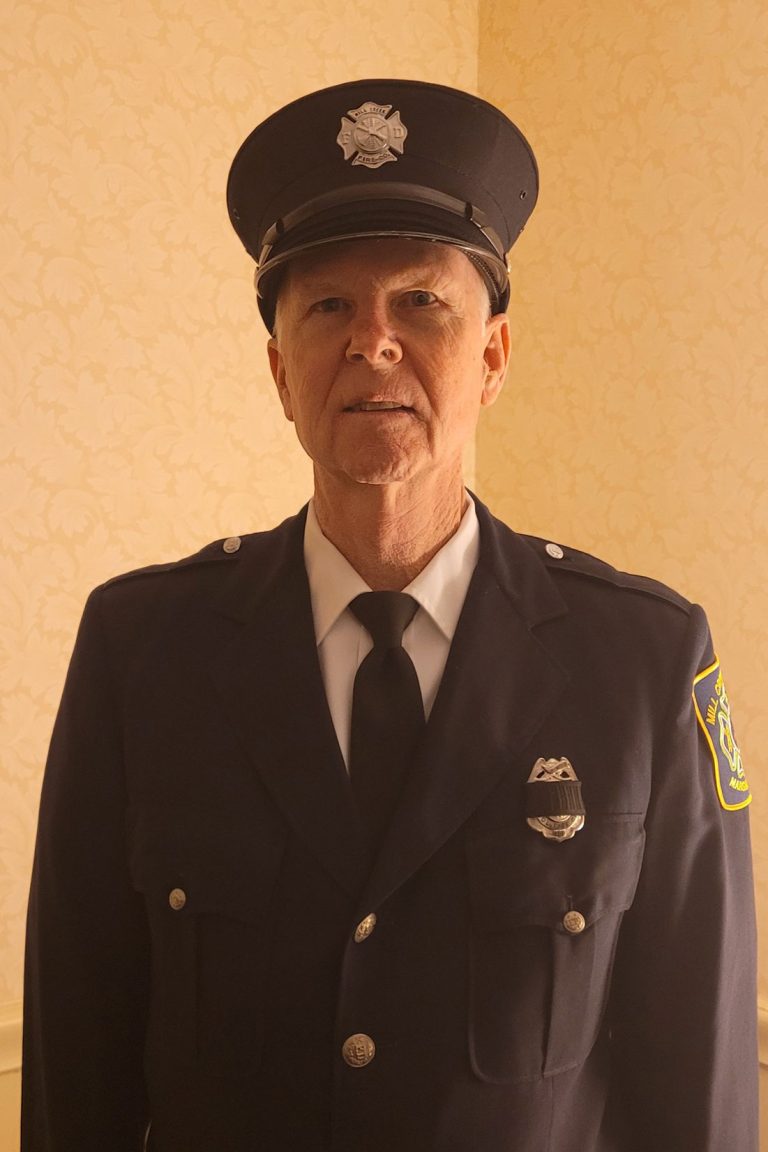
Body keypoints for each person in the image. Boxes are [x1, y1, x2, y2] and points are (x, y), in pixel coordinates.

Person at [22, 78, 758, 1152]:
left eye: (421, 303)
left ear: (493, 357)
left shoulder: (641, 661)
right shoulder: (144, 653)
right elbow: (74, 1072)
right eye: (329, 307)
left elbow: (698, 1092)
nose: (374, 343)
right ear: (280, 371)